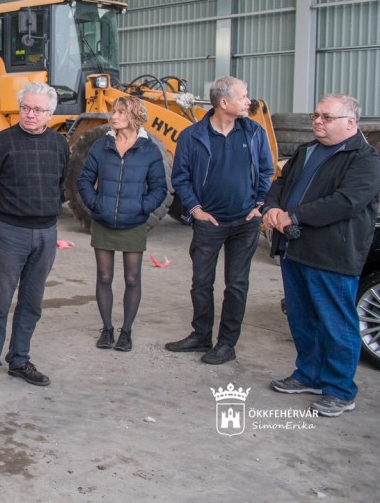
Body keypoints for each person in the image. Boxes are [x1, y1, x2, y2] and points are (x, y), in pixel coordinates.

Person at [262, 95, 380, 417]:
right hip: (294, 248)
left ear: (350, 123)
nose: (317, 121)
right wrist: (271, 207)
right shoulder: (306, 151)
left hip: (332, 255)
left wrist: (293, 216)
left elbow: (345, 202)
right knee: (301, 318)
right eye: (316, 115)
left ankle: (340, 391)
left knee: (335, 324)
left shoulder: (365, 160)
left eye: (327, 117)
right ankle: (309, 376)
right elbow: (281, 183)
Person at [166, 76, 273, 364]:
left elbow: (266, 171)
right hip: (208, 223)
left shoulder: (254, 132)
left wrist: (260, 204)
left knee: (236, 284)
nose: (249, 101)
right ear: (224, 102)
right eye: (243, 96)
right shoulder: (192, 136)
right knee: (201, 283)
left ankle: (226, 344)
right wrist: (195, 210)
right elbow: (181, 177)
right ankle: (201, 336)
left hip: (245, 222)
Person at [0, 81, 70, 391]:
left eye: (38, 110)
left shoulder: (59, 144)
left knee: (32, 301)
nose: (30, 114)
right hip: (10, 232)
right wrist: (10, 209)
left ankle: (19, 360)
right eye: (25, 108)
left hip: (46, 233)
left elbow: (62, 183)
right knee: (0, 300)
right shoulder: (2, 142)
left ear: (50, 113)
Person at [76, 96, 167, 352]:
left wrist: (141, 207)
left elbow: (159, 188)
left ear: (134, 116)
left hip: (133, 223)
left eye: (120, 112)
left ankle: (126, 331)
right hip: (104, 220)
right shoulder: (101, 146)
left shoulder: (149, 150)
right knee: (104, 276)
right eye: (113, 111)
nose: (113, 116)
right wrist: (96, 204)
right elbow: (84, 180)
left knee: (132, 278)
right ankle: (107, 329)